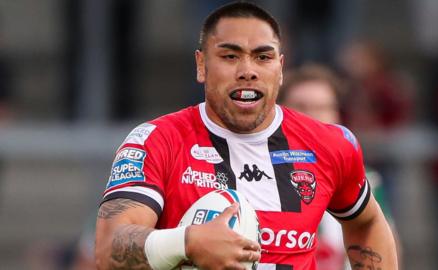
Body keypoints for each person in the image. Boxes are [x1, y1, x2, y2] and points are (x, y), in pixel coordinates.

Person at [95, 2, 398, 269]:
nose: (247, 71)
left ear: (280, 68)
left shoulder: (329, 144)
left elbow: (368, 222)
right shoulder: (156, 141)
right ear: (201, 65)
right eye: (230, 56)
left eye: (262, 57)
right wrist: (186, 243)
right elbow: (109, 249)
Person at [279, 64, 398, 270]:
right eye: (301, 107)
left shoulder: (365, 180)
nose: (312, 117)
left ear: (338, 115)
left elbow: (387, 243)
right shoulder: (260, 173)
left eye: (322, 107)